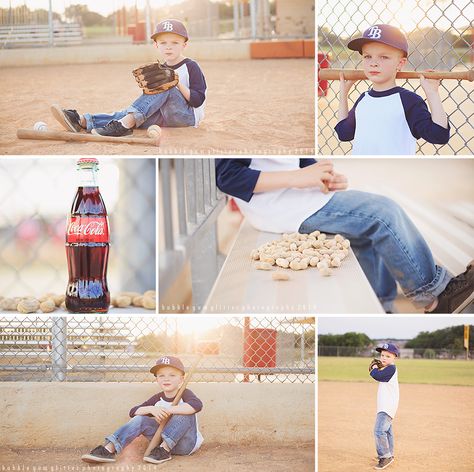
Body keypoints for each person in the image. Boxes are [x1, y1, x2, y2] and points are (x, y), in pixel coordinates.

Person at [215, 158, 474, 313]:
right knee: (382, 213)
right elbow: (227, 177)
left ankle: (382, 306)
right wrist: (299, 177)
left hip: (298, 196)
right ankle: (436, 296)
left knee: (365, 232)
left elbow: (296, 163)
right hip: (276, 205)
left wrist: (322, 175)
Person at [53, 19, 206, 137]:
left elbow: (197, 100)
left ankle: (124, 125)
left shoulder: (191, 66)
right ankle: (82, 120)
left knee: (166, 84)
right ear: (156, 45)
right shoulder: (161, 69)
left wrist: (177, 83)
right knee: (130, 114)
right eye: (163, 42)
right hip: (162, 118)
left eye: (175, 42)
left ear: (184, 45)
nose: (168, 47)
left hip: (186, 118)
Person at [335, 24, 450, 154]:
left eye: (384, 57)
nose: (373, 63)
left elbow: (439, 135)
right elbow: (344, 134)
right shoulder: (363, 99)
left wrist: (432, 93)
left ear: (400, 63)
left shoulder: (409, 101)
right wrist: (343, 95)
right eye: (367, 56)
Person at [81, 356, 203, 464]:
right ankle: (109, 449)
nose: (166, 379)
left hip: (185, 444)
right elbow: (133, 411)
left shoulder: (185, 394)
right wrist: (151, 409)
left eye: (172, 375)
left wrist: (170, 410)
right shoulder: (157, 398)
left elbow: (197, 405)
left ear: (181, 379)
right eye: (161, 375)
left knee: (185, 412)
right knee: (140, 418)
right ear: (157, 379)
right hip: (158, 445)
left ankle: (164, 450)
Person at [369, 343, 400, 470]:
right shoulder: (388, 369)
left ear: (394, 358)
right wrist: (379, 367)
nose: (383, 358)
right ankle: (390, 454)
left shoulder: (391, 368)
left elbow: (377, 376)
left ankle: (385, 456)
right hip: (387, 406)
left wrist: (375, 368)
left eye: (388, 356)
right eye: (382, 355)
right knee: (387, 431)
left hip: (386, 407)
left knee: (379, 430)